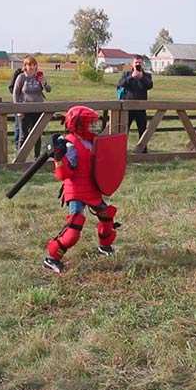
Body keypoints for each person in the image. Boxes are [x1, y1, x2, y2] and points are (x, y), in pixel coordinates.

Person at [41, 106, 120, 274]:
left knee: (107, 216)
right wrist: (58, 158)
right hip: (76, 189)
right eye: (90, 123)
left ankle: (105, 247)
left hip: (92, 187)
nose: (94, 126)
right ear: (78, 124)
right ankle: (52, 258)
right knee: (74, 227)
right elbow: (63, 175)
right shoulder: (69, 145)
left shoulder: (94, 141)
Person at [13, 56, 51, 157]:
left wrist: (44, 82)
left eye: (34, 64)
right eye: (29, 64)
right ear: (25, 66)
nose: (32, 67)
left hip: (38, 109)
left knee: (37, 135)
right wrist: (18, 110)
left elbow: (48, 89)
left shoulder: (39, 77)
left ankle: (36, 158)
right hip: (25, 110)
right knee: (23, 135)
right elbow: (15, 93)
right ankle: (20, 158)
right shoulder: (21, 77)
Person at [117, 57, 153, 152]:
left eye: (140, 63)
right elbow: (121, 84)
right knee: (124, 130)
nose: (138, 64)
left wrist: (142, 78)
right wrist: (131, 77)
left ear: (142, 64)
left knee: (142, 130)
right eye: (136, 62)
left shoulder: (147, 75)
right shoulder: (126, 74)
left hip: (141, 108)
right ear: (132, 64)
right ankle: (121, 150)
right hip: (128, 108)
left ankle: (143, 150)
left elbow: (150, 85)